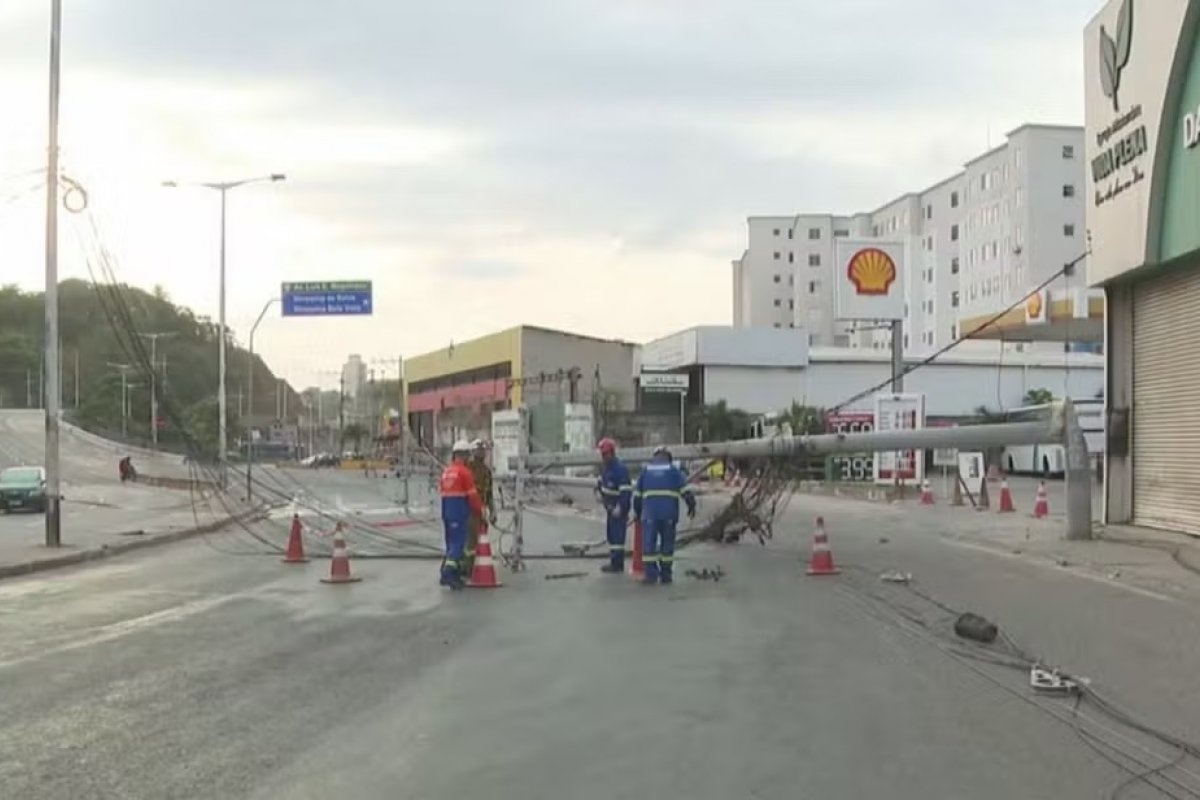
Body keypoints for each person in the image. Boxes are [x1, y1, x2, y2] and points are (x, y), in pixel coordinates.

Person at [632, 446, 696, 585]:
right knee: (667, 544)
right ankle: (666, 575)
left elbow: (637, 497)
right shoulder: (674, 471)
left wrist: (637, 513)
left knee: (649, 545)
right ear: (669, 458)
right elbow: (687, 493)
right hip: (669, 515)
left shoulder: (645, 472)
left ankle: (651, 575)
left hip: (650, 515)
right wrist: (691, 507)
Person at [439, 440, 483, 590]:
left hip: (446, 511)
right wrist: (479, 511)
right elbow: (472, 496)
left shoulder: (446, 472)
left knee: (450, 543)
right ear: (465, 455)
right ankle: (448, 573)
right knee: (458, 544)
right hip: (458, 512)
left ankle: (453, 573)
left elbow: (443, 493)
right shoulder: (464, 472)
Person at [596, 437, 632, 574]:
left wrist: (621, 507)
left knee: (617, 537)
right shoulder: (605, 468)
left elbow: (625, 491)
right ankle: (614, 561)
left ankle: (617, 564)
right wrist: (598, 492)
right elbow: (600, 483)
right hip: (609, 508)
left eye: (606, 454)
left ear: (612, 452)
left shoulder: (620, 469)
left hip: (618, 508)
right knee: (611, 536)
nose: (604, 457)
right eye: (603, 454)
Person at [463, 438, 496, 575]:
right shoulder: (467, 469)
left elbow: (489, 494)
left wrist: (492, 511)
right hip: (468, 509)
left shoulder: (487, 472)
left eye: (483, 451)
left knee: (478, 541)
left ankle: (475, 568)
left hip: (481, 510)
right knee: (469, 541)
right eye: (478, 451)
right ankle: (467, 569)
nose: (481, 454)